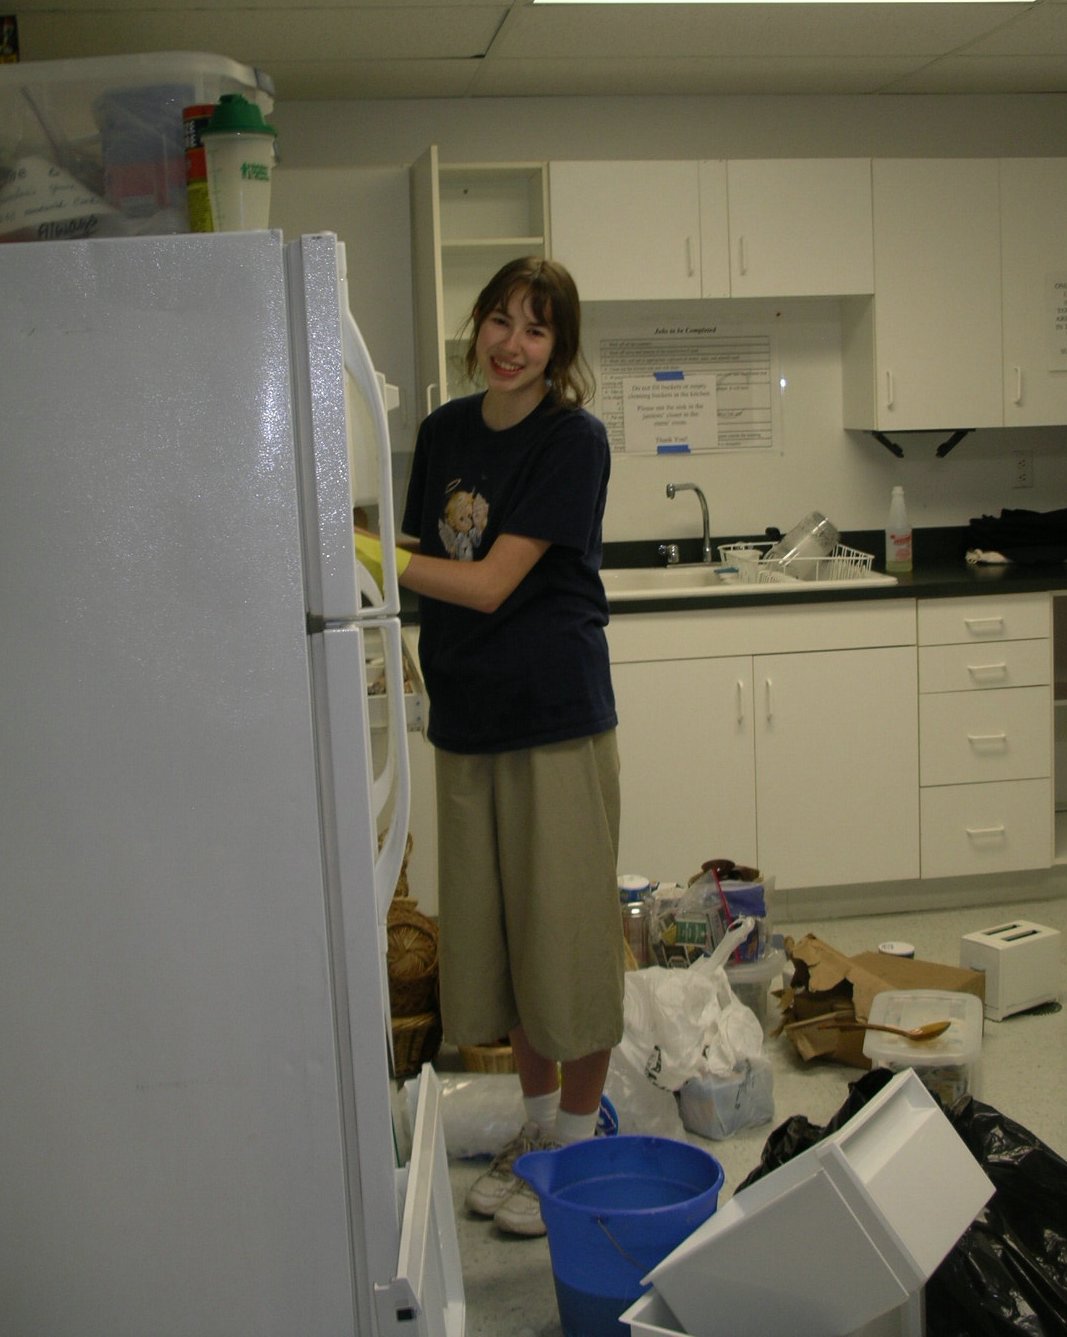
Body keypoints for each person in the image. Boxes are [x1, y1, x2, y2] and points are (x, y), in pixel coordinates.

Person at [357, 255, 624, 1237]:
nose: (512, 344)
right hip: (468, 718)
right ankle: (535, 1127)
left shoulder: (571, 439)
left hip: (553, 715)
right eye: (500, 320)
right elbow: (429, 558)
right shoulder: (442, 432)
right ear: (477, 325)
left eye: (536, 329)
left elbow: (483, 582)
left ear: (559, 348)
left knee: (566, 937)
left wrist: (363, 549)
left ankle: (574, 1142)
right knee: (505, 942)